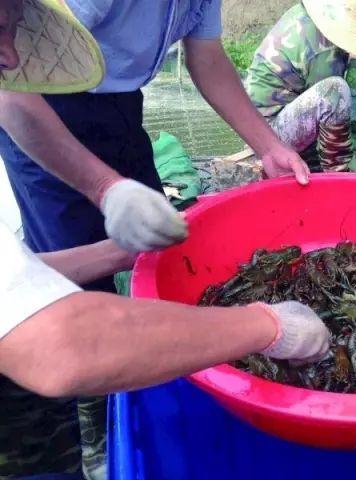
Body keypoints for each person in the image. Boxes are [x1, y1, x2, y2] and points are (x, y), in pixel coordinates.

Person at [0, 1, 329, 479]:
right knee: (55, 383)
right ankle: (98, 432)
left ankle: (135, 398)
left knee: (160, 255)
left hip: (118, 103)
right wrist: (271, 327)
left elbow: (22, 278)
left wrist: (111, 252)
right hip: (53, 108)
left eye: (9, 30)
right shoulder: (20, 78)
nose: (8, 54)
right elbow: (59, 338)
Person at [244, 0, 356, 173]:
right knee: (336, 89)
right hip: (269, 135)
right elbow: (331, 100)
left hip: (252, 123)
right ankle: (338, 176)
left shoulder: (306, 16)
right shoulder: (324, 53)